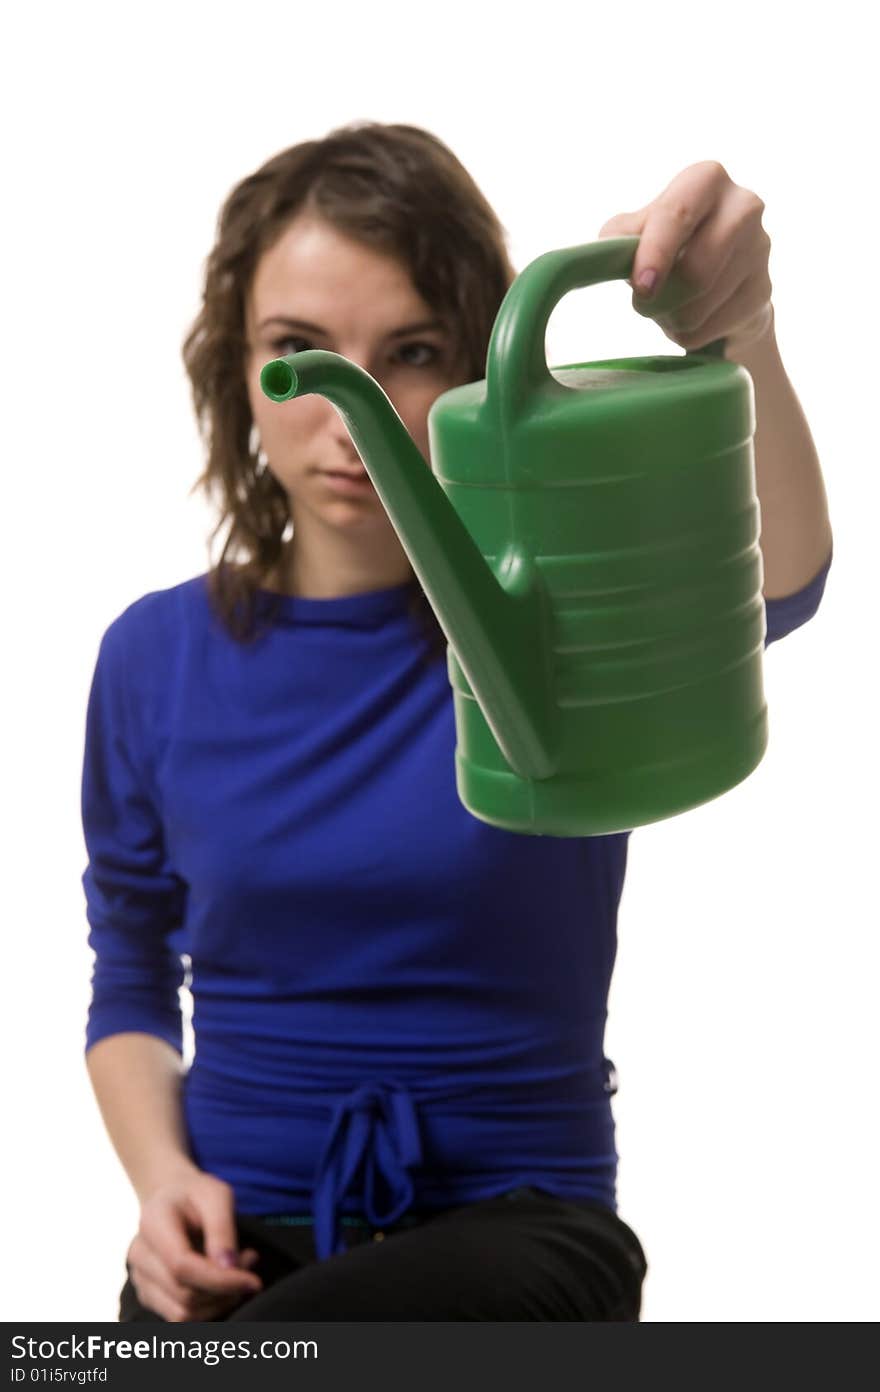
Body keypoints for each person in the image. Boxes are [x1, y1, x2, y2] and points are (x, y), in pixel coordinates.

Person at [81, 121, 833, 1324]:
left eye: (415, 349)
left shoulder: (567, 602)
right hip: (234, 1249)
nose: (351, 408)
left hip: (523, 1235)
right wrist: (161, 1186)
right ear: (236, 367)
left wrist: (735, 329)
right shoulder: (152, 658)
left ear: (484, 367)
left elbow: (779, 581)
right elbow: (127, 974)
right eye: (298, 352)